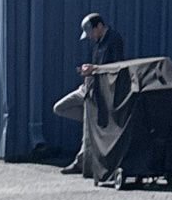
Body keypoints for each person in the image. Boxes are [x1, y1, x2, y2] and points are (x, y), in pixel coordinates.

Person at [54, 13, 127, 171]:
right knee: (60, 107)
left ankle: (80, 161)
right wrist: (87, 70)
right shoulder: (98, 42)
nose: (91, 37)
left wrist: (95, 69)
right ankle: (94, 123)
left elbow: (118, 67)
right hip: (88, 86)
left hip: (100, 91)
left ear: (99, 26)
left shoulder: (114, 40)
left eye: (91, 32)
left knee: (88, 126)